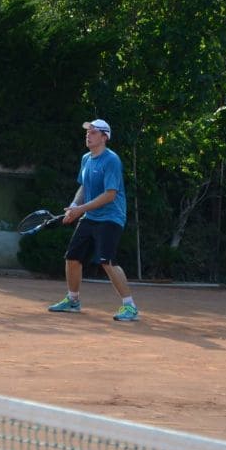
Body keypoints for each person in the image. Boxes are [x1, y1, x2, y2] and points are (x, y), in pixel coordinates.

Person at [48, 119, 139, 321]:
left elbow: (110, 195)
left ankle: (130, 307)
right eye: (87, 132)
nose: (88, 135)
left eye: (93, 132)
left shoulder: (111, 160)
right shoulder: (86, 159)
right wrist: (73, 206)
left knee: (107, 261)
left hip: (111, 217)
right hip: (90, 216)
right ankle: (73, 301)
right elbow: (84, 187)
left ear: (105, 137)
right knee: (72, 258)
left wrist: (81, 209)